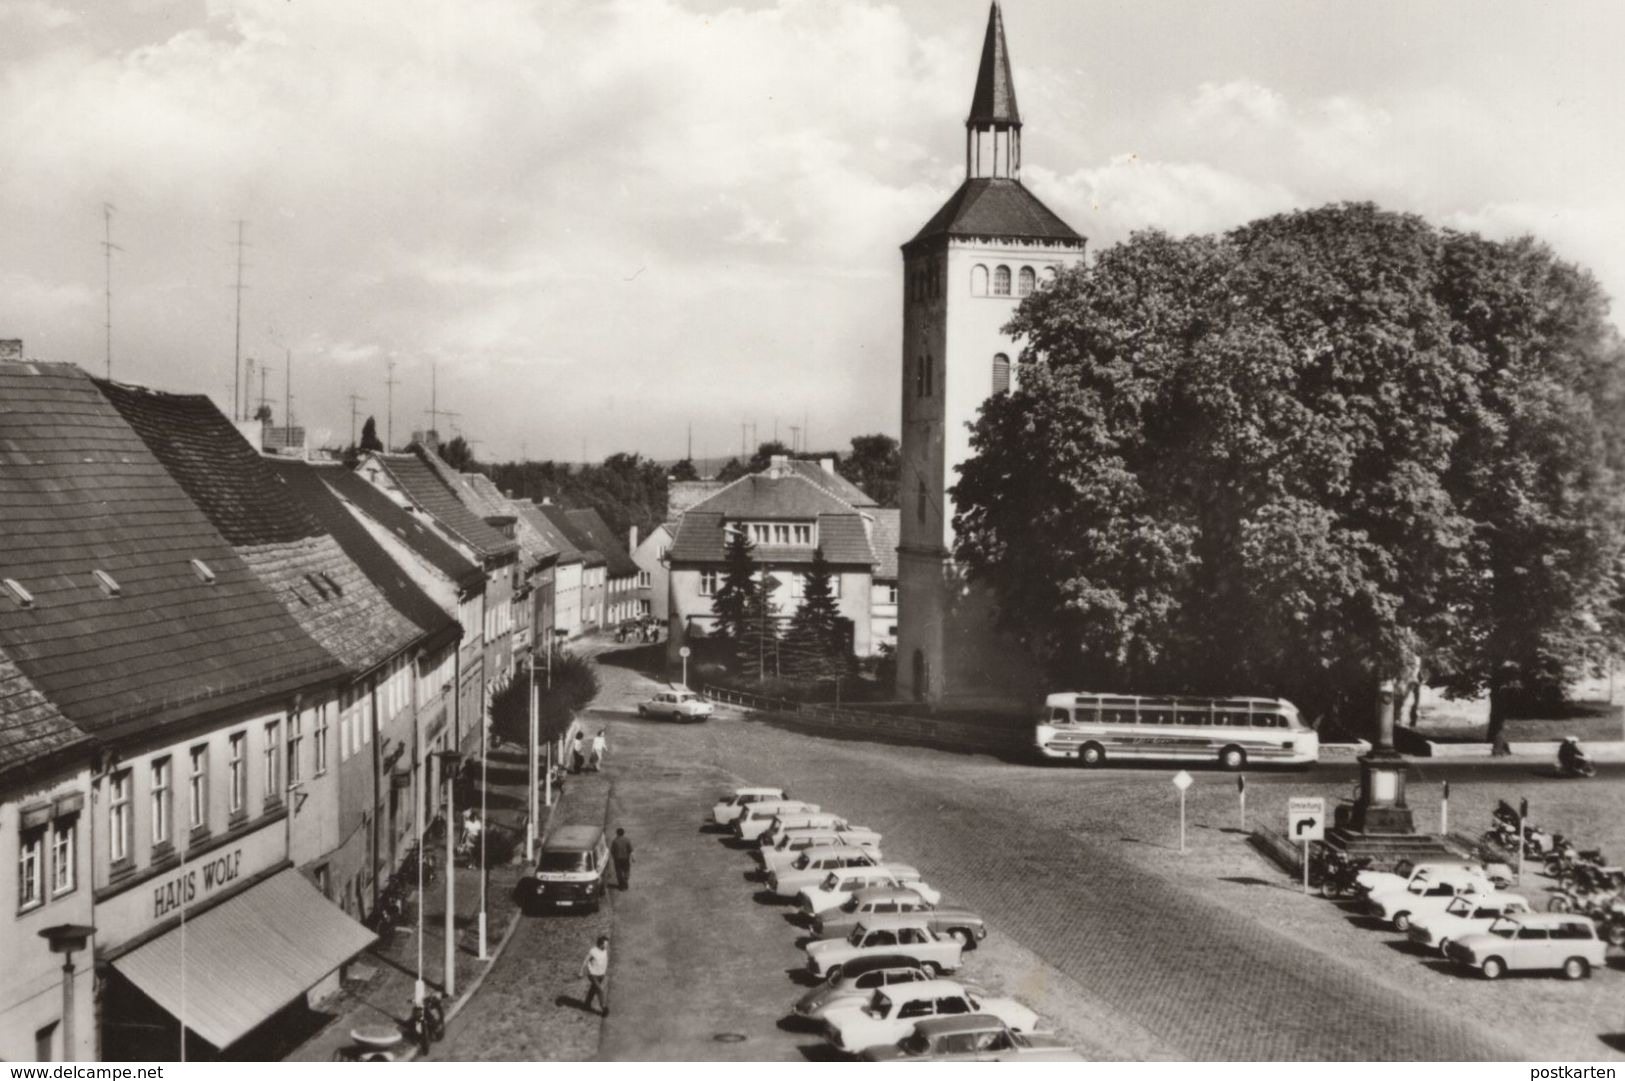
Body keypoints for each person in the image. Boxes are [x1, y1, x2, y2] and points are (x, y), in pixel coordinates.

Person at [579, 935, 610, 1016]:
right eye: (605, 944)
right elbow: (585, 961)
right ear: (601, 944)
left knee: (593, 989)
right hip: (593, 974)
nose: (607, 946)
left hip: (601, 975)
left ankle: (586, 1005)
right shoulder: (593, 951)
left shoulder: (605, 950)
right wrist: (581, 971)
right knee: (600, 990)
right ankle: (604, 1009)